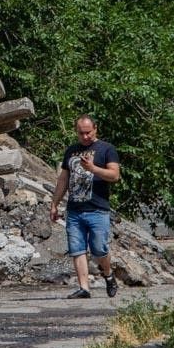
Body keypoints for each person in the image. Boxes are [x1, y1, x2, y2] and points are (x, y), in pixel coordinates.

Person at [49, 114, 121, 299]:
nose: (85, 137)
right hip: (74, 210)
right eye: (81, 133)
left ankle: (108, 274)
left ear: (95, 129)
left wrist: (94, 169)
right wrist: (55, 204)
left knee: (99, 249)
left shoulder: (107, 149)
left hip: (98, 209)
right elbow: (63, 179)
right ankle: (84, 288)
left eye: (88, 133)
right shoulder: (71, 151)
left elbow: (115, 175)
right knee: (77, 248)